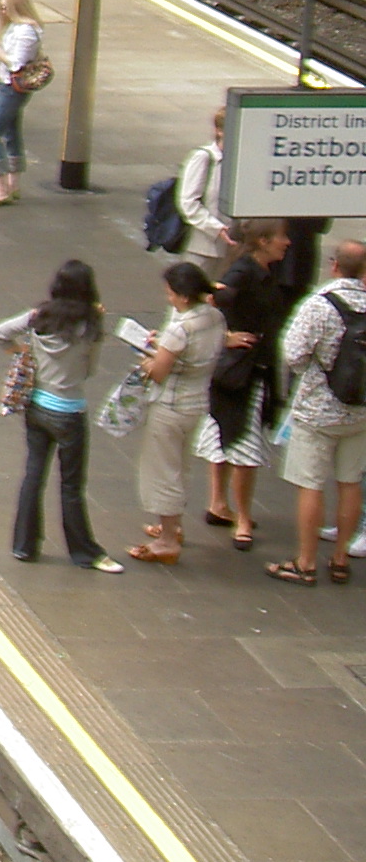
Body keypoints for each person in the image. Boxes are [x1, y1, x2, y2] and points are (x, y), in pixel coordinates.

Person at [0, 260, 124, 572]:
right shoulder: (89, 325)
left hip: (36, 406)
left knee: (33, 475)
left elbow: (0, 333)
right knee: (70, 486)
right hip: (69, 411)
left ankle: (24, 545)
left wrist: (22, 352)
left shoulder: (40, 316)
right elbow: (89, 371)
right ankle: (84, 552)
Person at [269, 241, 366, 586]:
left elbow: (293, 354)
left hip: (317, 410)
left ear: (334, 265)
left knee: (310, 484)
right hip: (360, 412)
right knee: (350, 482)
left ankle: (306, 561)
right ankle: (340, 559)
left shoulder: (319, 305)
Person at [198, 216, 295, 553]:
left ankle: (218, 504)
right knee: (243, 440)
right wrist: (225, 337)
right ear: (264, 241)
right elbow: (210, 299)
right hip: (242, 370)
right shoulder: (243, 273)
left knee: (223, 433)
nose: (287, 242)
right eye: (282, 237)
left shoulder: (257, 270)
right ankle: (241, 516)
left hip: (243, 369)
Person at [123, 261, 223, 566]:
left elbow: (158, 373)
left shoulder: (181, 328)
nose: (168, 298)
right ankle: (172, 525)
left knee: (163, 471)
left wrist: (146, 358)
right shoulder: (215, 317)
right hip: (196, 403)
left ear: (182, 295)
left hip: (170, 407)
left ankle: (167, 539)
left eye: (170, 293)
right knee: (181, 466)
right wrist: (160, 346)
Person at [0, 0, 46, 204]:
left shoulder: (25, 31)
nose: (2, 12)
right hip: (9, 86)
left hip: (11, 89)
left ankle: (2, 188)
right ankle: (13, 184)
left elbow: (15, 63)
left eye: (5, 7)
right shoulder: (19, 28)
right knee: (11, 133)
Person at [175, 108, 228, 251]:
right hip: (202, 248)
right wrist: (216, 228)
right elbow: (188, 202)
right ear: (219, 131)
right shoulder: (203, 157)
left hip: (233, 249)